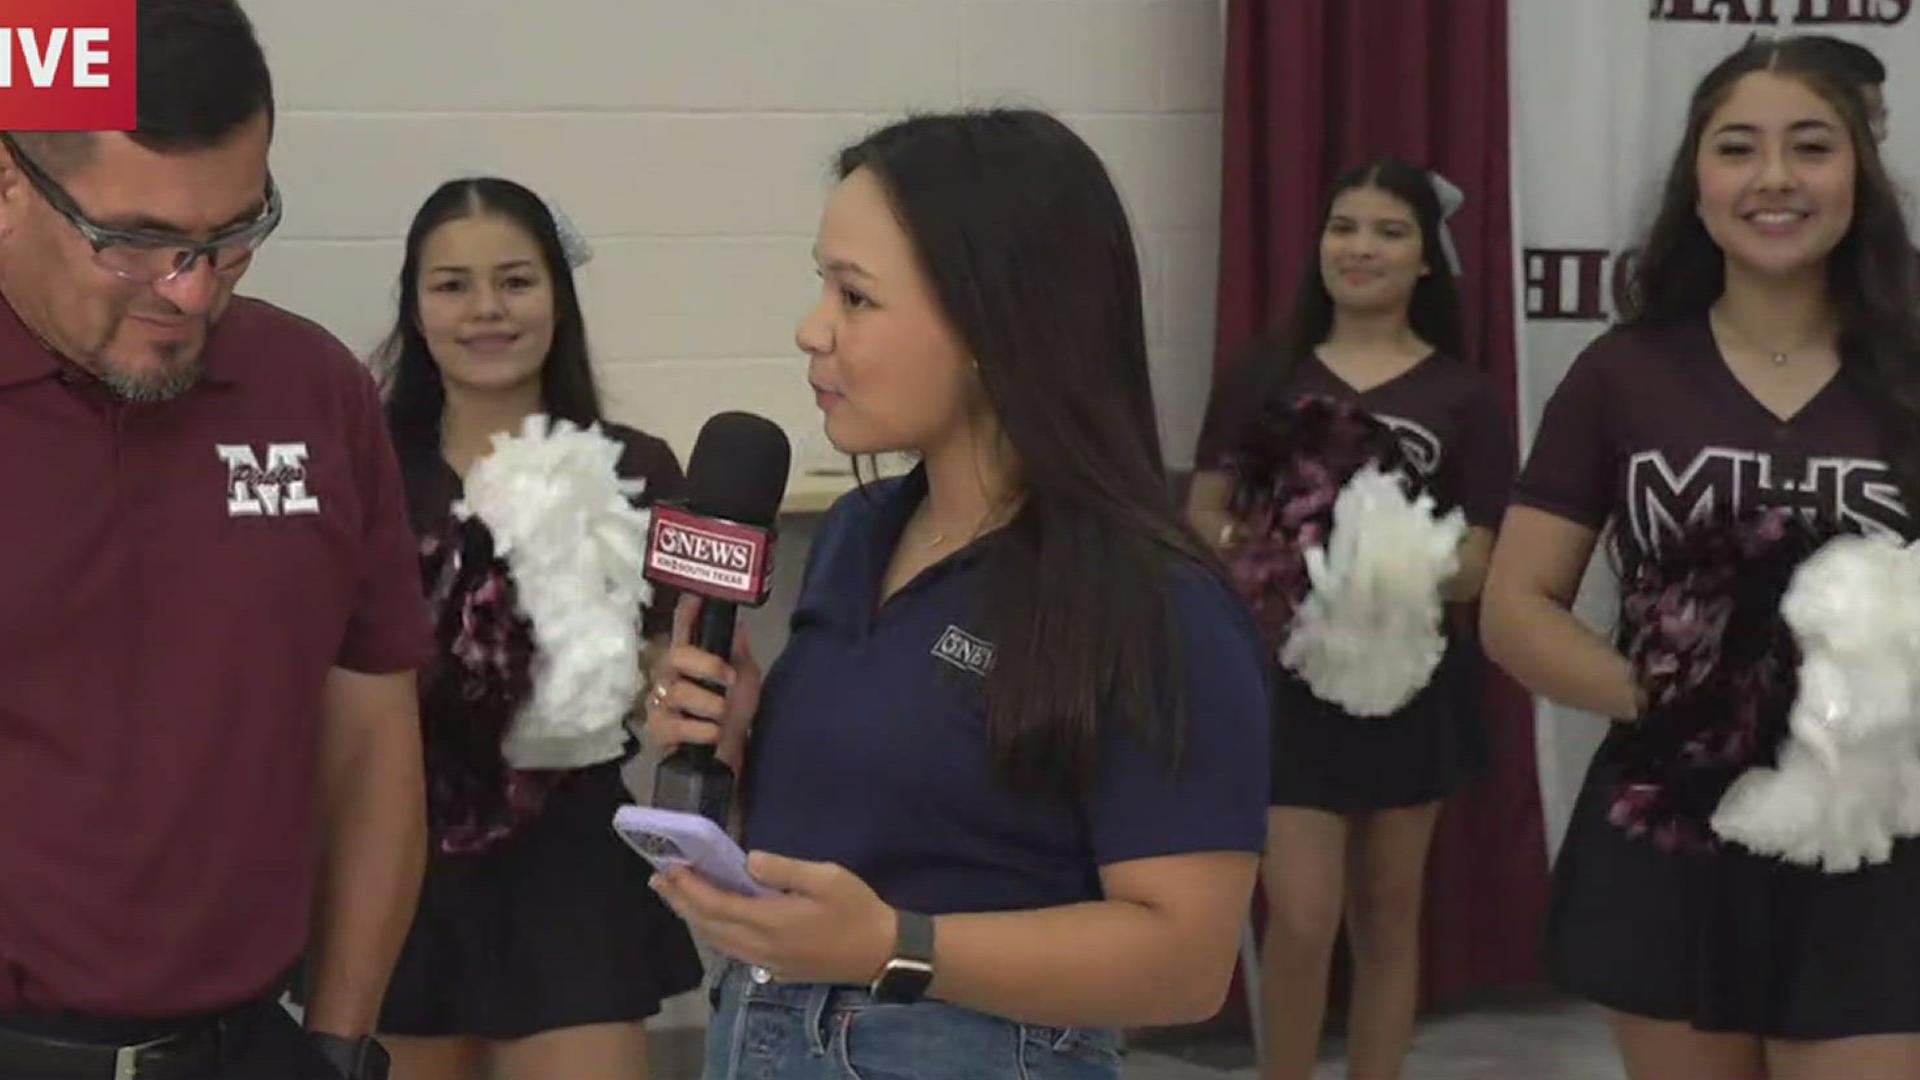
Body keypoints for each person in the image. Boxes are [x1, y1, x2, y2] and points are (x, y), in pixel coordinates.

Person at [641, 108, 1270, 1080]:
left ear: (992, 323)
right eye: (822, 286)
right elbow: (878, 840)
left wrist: (895, 945)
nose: (813, 330)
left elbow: (1186, 963)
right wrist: (740, 754)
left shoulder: (1157, 601)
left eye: (855, 297)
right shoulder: (860, 531)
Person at [0, 1, 429, 1077]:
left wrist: (337, 1044)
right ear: (8, 185)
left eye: (234, 232)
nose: (191, 289)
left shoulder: (313, 393)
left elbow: (372, 740)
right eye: (136, 242)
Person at [1482, 37, 1920, 1080]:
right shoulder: (1621, 374)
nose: (1775, 177)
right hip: (1677, 821)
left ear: (1858, 170)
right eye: (1739, 148)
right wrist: (1676, 698)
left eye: (1811, 147)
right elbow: (1516, 607)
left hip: (1875, 832)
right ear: (1699, 180)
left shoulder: (1909, 366)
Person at [1186, 157, 1514, 1080]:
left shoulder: (1465, 397)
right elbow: (1204, 518)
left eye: (1388, 231)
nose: (1360, 248)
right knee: (1300, 913)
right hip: (1286, 683)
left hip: (1412, 682)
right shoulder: (1264, 376)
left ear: (1425, 260)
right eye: (1344, 227)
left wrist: (1382, 569)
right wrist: (1278, 557)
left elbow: (1485, 560)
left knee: (1386, 916)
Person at [369, 177, 704, 1080]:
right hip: (391, 868)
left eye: (515, 281)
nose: (487, 310)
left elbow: (674, 661)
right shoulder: (362, 463)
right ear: (415, 304)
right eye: (452, 285)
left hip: (567, 876)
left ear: (558, 294)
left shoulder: (636, 468)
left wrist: (679, 684)